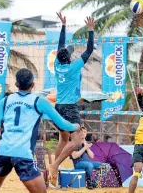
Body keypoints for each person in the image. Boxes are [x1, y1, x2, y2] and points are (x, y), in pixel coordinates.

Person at [0, 68, 80, 193]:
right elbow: (62, 124)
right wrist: (75, 126)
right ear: (33, 85)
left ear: (16, 84)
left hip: (4, 151)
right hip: (22, 154)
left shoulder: (5, 101)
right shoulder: (39, 101)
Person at [49, 12, 95, 186]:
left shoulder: (57, 65)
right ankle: (55, 166)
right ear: (69, 58)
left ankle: (54, 179)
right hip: (69, 108)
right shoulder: (73, 67)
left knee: (63, 139)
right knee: (76, 141)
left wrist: (63, 25)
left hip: (59, 107)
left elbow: (61, 45)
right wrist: (91, 30)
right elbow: (89, 50)